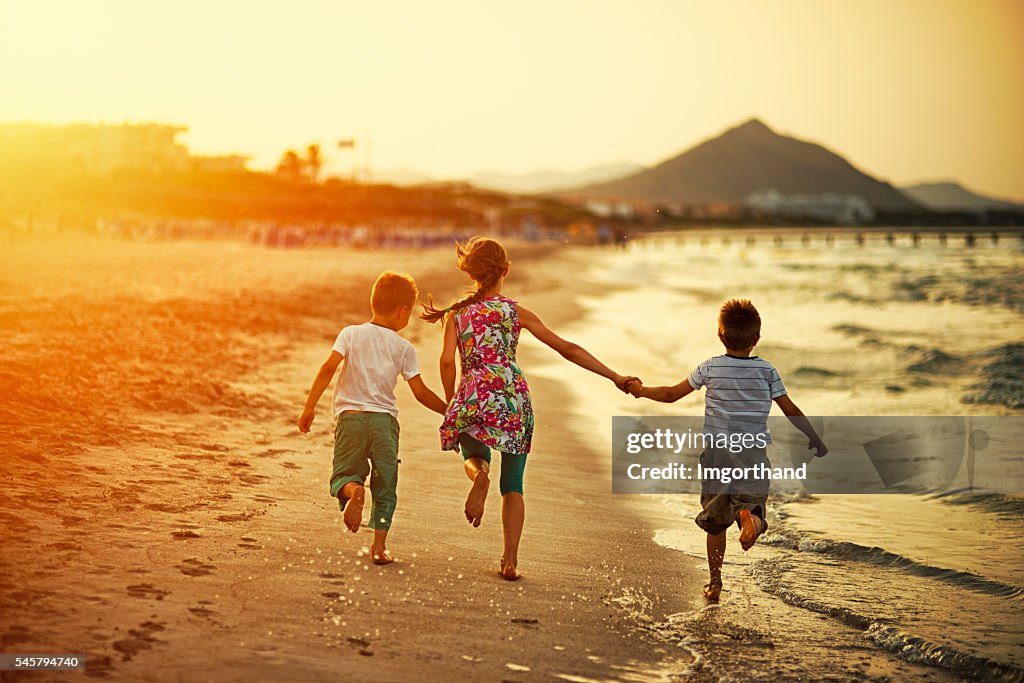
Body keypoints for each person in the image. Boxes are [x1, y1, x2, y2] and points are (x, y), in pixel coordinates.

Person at [421, 237, 636, 581]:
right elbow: (567, 348)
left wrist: (453, 402)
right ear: (505, 271)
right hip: (513, 396)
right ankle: (509, 561)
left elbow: (447, 361)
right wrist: (613, 375)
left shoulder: (457, 314)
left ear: (473, 273)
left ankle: (479, 476)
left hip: (475, 392)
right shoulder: (516, 311)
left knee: (473, 454)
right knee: (514, 485)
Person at [626, 299, 827, 601]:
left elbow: (670, 395)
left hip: (717, 454)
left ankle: (715, 582)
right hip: (752, 454)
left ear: (720, 334)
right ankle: (749, 517)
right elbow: (790, 409)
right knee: (755, 506)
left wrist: (640, 390)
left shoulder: (710, 367)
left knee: (716, 522)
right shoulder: (767, 371)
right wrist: (813, 436)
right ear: (757, 338)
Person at [298, 271, 448, 565]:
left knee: (343, 473)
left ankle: (354, 491)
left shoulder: (350, 334)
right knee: (385, 485)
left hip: (351, 419)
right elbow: (419, 392)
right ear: (403, 311)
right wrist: (449, 411)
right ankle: (379, 547)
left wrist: (309, 406)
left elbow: (328, 368)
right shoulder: (404, 348)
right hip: (384, 425)